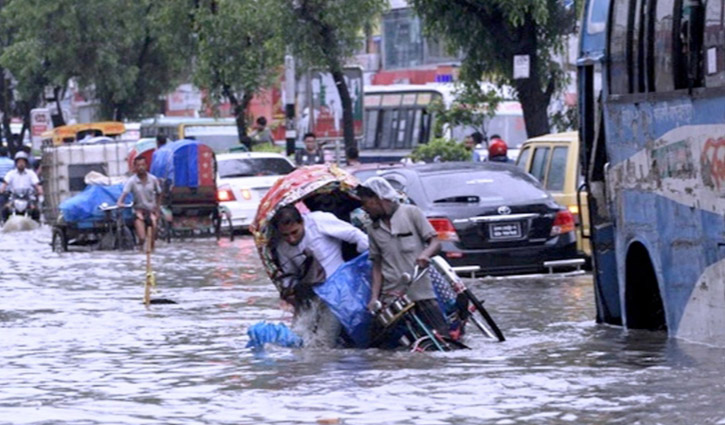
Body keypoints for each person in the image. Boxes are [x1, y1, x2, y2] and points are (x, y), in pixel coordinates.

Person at [356, 177, 449, 338]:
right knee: (378, 346)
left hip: (420, 291)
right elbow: (376, 266)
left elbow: (435, 242)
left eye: (365, 203)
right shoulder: (372, 228)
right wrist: (374, 298)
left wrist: (425, 255)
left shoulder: (411, 212)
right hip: (391, 295)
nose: (364, 208)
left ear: (378, 198)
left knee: (443, 337)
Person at [272, 204, 369, 347]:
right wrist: (289, 294)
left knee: (323, 340)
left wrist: (369, 260)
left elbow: (356, 235)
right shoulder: (282, 246)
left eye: (295, 232)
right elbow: (288, 276)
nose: (291, 239)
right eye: (286, 235)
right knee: (297, 337)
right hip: (310, 295)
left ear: (302, 222)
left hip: (338, 291)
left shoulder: (319, 221)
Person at [117, 156, 162, 251]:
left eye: (143, 165)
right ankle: (140, 252)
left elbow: (159, 193)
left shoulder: (153, 179)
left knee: (152, 239)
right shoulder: (132, 181)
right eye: (138, 165)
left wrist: (157, 209)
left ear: (146, 166)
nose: (141, 167)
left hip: (151, 211)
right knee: (142, 238)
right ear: (135, 167)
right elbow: (123, 195)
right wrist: (121, 203)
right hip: (139, 211)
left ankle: (152, 254)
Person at [0, 151, 43, 221]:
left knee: (35, 210)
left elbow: (36, 183)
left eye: (23, 162)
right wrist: (2, 190)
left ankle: (37, 224)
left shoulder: (31, 173)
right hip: (14, 197)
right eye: (19, 162)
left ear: (26, 163)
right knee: (5, 210)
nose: (21, 164)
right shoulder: (11, 173)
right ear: (16, 163)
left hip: (28, 197)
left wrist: (39, 190)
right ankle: (4, 223)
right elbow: (5, 183)